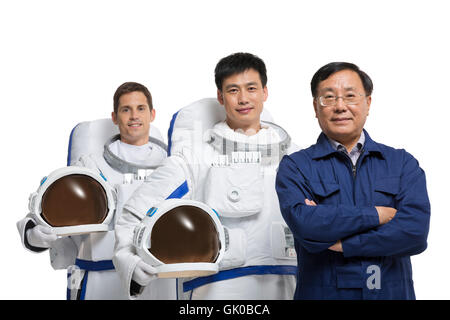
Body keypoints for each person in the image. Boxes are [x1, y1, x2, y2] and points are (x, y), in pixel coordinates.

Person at [114, 52, 298, 300]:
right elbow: (136, 212)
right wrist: (130, 263)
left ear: (264, 92)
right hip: (216, 290)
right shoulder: (195, 159)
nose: (243, 98)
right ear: (221, 97)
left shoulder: (295, 158)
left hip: (286, 286)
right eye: (233, 90)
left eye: (251, 88)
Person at [275, 62, 431, 300]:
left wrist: (345, 243)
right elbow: (306, 225)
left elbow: (415, 233)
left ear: (368, 103)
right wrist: (377, 215)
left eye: (350, 96)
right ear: (316, 107)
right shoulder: (296, 166)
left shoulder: (401, 163)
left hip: (390, 293)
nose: (340, 106)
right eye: (328, 98)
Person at [16, 82, 172, 299]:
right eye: (126, 109)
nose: (134, 116)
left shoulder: (173, 167)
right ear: (115, 117)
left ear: (152, 114)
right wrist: (35, 235)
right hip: (100, 280)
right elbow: (46, 209)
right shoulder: (91, 167)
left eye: (141, 108)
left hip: (158, 281)